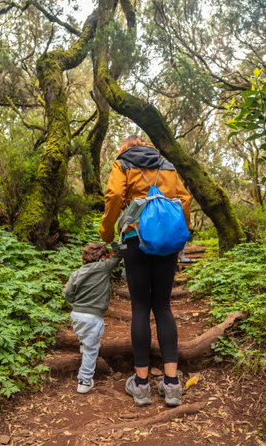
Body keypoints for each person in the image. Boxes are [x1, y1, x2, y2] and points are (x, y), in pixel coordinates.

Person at [100, 135, 191, 407]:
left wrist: (107, 232)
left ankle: (141, 385)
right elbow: (184, 200)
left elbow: (115, 195)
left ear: (126, 148)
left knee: (140, 306)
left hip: (135, 239)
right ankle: (172, 384)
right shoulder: (168, 166)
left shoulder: (123, 164)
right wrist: (179, 233)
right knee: (163, 306)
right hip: (166, 242)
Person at [64, 242, 122, 394]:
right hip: (93, 316)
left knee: (85, 336)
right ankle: (84, 380)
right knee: (92, 349)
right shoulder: (103, 267)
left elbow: (68, 293)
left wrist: (74, 302)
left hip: (77, 314)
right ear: (103, 257)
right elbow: (118, 256)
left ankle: (84, 343)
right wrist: (117, 244)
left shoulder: (76, 273)